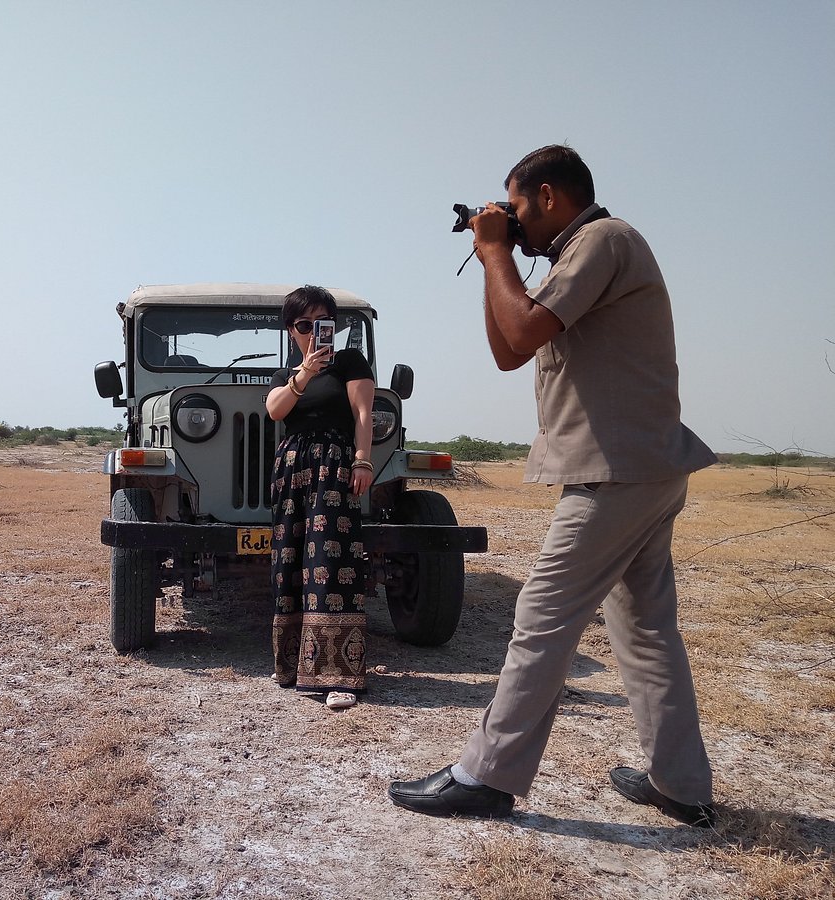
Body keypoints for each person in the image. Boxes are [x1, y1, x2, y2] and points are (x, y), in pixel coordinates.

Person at [388, 146, 718, 826]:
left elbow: (522, 327)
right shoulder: (579, 256)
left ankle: (485, 775)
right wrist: (494, 257)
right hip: (642, 466)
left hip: (614, 471)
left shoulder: (603, 239)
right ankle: (681, 785)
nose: (514, 225)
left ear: (547, 196)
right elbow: (511, 348)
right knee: (647, 631)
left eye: (517, 208)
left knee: (541, 619)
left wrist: (494, 251)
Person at [266, 285, 376, 710]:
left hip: (335, 464)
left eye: (322, 322)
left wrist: (363, 461)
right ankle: (293, 667)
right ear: (291, 329)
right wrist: (306, 372)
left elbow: (363, 414)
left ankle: (339, 676)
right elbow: (275, 410)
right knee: (289, 561)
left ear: (335, 324)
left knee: (332, 563)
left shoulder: (349, 361)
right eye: (304, 324)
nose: (313, 331)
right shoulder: (287, 375)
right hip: (292, 469)